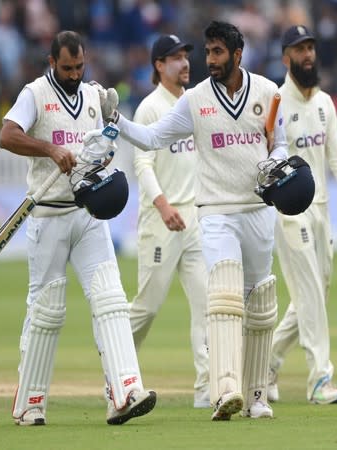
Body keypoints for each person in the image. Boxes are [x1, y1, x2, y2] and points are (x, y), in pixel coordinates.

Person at [102, 21, 294, 421]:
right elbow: (153, 138)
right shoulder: (195, 100)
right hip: (216, 212)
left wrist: (276, 165)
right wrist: (116, 121)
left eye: (217, 52)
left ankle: (256, 394)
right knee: (222, 293)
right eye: (207, 52)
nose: (209, 60)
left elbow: (281, 144)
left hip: (258, 210)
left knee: (259, 303)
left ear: (237, 54)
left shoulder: (268, 93)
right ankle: (224, 390)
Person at [0, 30, 156, 426]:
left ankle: (124, 391)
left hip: (86, 214)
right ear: (52, 62)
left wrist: (101, 155)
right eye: (66, 68)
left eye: (79, 67)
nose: (73, 74)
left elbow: (105, 144)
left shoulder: (94, 97)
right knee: (47, 310)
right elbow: (7, 135)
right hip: (48, 214)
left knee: (110, 298)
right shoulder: (34, 94)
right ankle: (30, 403)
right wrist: (50, 149)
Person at [267, 25, 337, 405]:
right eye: (299, 49)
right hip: (290, 212)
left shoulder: (325, 103)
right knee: (309, 292)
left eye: (310, 47)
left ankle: (266, 364)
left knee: (314, 296)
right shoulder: (275, 102)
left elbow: (336, 154)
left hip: (322, 210)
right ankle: (319, 378)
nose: (307, 55)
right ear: (285, 58)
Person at [128, 34, 210, 409]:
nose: (184, 63)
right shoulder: (149, 108)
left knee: (207, 304)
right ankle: (119, 374)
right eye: (175, 58)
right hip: (161, 221)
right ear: (159, 65)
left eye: (185, 56)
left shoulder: (194, 103)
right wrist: (163, 205)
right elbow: (141, 164)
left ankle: (208, 388)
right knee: (147, 307)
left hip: (195, 219)